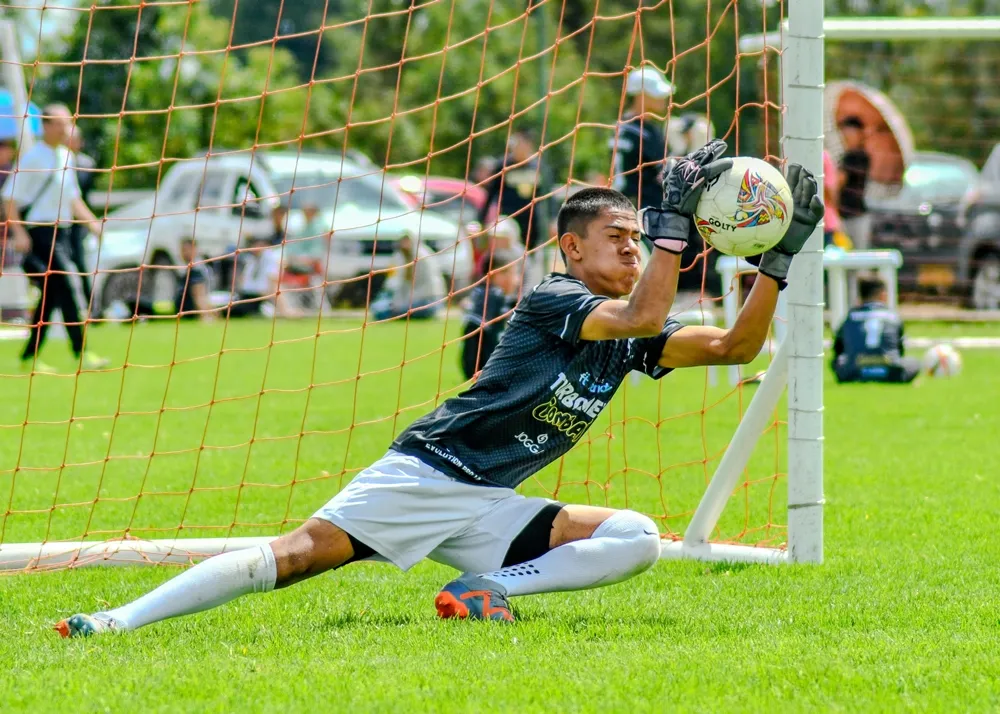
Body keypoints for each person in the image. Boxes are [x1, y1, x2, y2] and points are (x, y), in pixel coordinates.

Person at [53, 140, 823, 637]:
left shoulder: (630, 323)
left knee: (636, 537)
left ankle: (484, 587)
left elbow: (734, 344)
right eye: (615, 240)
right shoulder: (558, 298)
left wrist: (778, 261)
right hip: (428, 476)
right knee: (288, 559)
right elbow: (646, 308)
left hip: (489, 504)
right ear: (571, 248)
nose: (631, 250)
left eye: (636, 239)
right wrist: (668, 225)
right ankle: (113, 623)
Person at [1, 104, 108, 373]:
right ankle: (82, 352)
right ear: (47, 126)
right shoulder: (33, 158)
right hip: (40, 232)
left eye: (68, 123)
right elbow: (10, 198)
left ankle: (29, 357)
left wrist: (94, 224)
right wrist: (20, 232)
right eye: (60, 123)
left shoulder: (66, 157)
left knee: (51, 295)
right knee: (69, 285)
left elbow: (73, 199)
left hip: (64, 233)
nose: (66, 129)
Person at [831, 275, 918, 384]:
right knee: (914, 363)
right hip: (889, 371)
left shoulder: (850, 317)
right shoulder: (892, 316)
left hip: (854, 372)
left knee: (837, 362)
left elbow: (838, 349)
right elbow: (899, 349)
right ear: (883, 295)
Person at [610, 66, 673, 214]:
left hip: (623, 205)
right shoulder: (644, 133)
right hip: (647, 212)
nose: (663, 98)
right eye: (655, 94)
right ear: (641, 96)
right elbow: (668, 174)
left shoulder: (621, 126)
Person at [479, 130, 547, 253]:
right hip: (509, 218)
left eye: (521, 144)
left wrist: (552, 218)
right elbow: (491, 194)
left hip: (531, 221)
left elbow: (546, 196)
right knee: (508, 254)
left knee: (529, 257)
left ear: (529, 145)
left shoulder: (538, 167)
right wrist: (482, 219)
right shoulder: (503, 166)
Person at [460, 248, 521, 380]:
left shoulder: (485, 293)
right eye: (514, 273)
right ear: (497, 274)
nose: (517, 279)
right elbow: (474, 330)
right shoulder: (493, 296)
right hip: (486, 366)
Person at [371, 235, 446, 321]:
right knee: (379, 307)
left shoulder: (421, 256)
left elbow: (416, 286)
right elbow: (395, 282)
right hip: (413, 300)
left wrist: (398, 304)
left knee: (384, 312)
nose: (404, 244)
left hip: (428, 301)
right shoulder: (401, 256)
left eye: (406, 241)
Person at [229, 234, 300, 318]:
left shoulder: (271, 258)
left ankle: (282, 311)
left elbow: (273, 281)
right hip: (246, 295)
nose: (257, 247)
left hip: (259, 297)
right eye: (256, 244)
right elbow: (244, 280)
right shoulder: (251, 260)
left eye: (261, 245)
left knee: (237, 311)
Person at [67, 124, 98, 302]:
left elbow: (78, 196)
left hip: (78, 222)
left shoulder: (86, 165)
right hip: (59, 221)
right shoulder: (56, 161)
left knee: (80, 262)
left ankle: (90, 304)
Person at [837, 116, 871, 250]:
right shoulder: (846, 156)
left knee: (857, 257)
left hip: (856, 215)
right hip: (845, 214)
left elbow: (839, 181)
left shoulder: (858, 157)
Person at [174, 238, 214, 320]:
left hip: (191, 315)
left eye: (187, 249)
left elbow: (199, 295)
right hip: (185, 315)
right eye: (182, 250)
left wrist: (205, 316)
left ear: (194, 250)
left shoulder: (196, 270)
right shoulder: (191, 268)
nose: (184, 253)